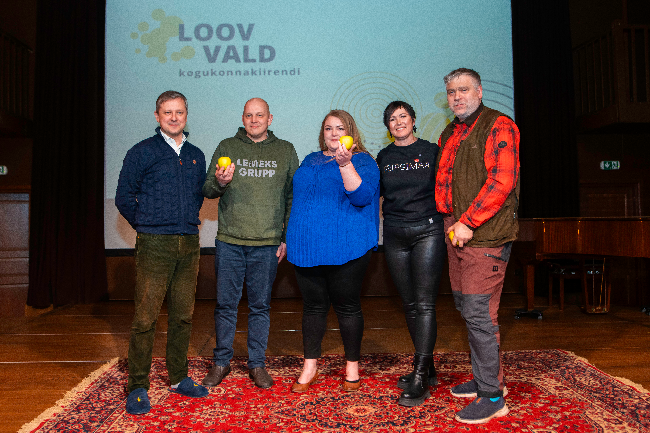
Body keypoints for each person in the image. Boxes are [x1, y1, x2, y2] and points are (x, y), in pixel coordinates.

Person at [434, 68, 520, 424]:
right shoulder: (450, 132)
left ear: (480, 92)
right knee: (468, 308)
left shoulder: (500, 125)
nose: (457, 97)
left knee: (479, 312)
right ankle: (488, 379)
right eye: (451, 92)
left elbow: (502, 181)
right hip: (454, 233)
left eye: (464, 90)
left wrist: (468, 221)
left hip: (484, 235)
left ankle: (492, 396)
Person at [115, 90, 208, 415]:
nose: (173, 117)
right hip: (155, 244)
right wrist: (147, 224)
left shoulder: (196, 155)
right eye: (167, 112)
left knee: (183, 315)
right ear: (157, 116)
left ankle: (179, 378)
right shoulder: (141, 152)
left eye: (179, 112)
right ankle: (138, 386)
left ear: (186, 115)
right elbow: (123, 197)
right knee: (145, 318)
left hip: (189, 243)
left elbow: (197, 197)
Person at [201, 98, 299, 389]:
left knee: (260, 306)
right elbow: (208, 189)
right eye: (248, 115)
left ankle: (257, 364)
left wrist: (286, 238)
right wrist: (220, 182)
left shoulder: (285, 150)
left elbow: (293, 197)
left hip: (268, 243)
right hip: (230, 241)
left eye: (259, 115)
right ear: (242, 118)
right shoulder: (227, 146)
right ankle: (221, 362)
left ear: (270, 118)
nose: (254, 120)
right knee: (225, 306)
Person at [286, 110, 380, 393]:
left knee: (347, 306)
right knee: (313, 307)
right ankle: (310, 366)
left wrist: (345, 164)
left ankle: (352, 366)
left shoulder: (363, 160)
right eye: (328, 128)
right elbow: (299, 198)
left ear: (350, 131)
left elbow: (361, 196)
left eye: (340, 128)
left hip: (347, 246)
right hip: (306, 247)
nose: (334, 133)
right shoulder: (310, 159)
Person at [376, 101, 445, 407]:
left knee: (425, 303)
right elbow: (376, 195)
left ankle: (420, 374)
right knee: (409, 304)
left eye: (403, 116)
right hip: (394, 234)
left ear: (413, 120)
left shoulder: (431, 151)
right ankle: (427, 366)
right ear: (388, 127)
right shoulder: (384, 156)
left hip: (428, 230)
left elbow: (446, 187)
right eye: (392, 119)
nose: (398, 121)